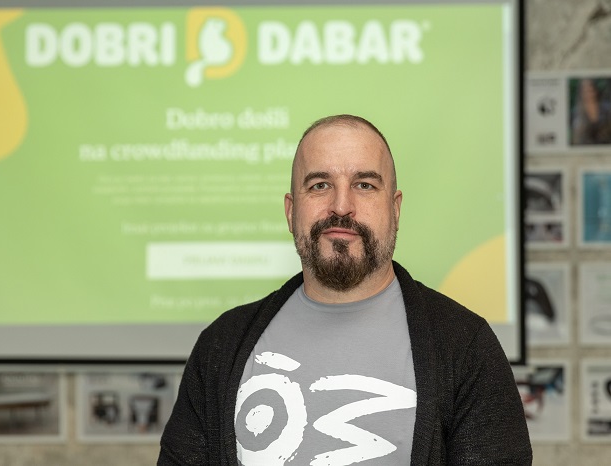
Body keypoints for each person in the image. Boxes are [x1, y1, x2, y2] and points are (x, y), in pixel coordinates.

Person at [158, 114, 532, 465]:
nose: (341, 206)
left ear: (395, 209)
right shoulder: (221, 345)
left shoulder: (465, 346)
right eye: (319, 185)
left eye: (364, 185)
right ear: (291, 211)